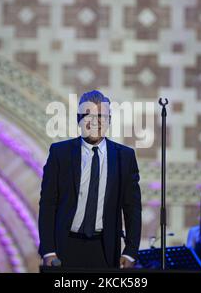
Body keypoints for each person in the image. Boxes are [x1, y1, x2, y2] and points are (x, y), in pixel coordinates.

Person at [38, 90, 142, 269]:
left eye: (101, 116)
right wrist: (48, 250)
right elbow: (48, 205)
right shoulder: (59, 153)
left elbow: (132, 208)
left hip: (105, 248)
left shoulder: (124, 157)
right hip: (65, 247)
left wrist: (131, 251)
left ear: (109, 121)